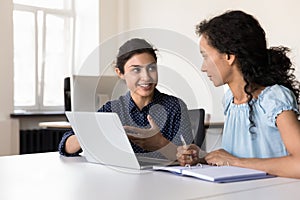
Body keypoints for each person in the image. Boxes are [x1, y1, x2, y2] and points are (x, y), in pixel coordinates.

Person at [176, 10, 300, 178]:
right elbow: (235, 157)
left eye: (205, 57)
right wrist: (202, 157)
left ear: (228, 57)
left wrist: (234, 161)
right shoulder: (229, 101)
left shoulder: (274, 98)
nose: (203, 67)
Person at [59, 38, 193, 160]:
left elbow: (188, 157)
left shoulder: (175, 107)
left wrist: (159, 143)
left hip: (166, 182)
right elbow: (65, 146)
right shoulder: (112, 109)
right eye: (136, 70)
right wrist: (94, 133)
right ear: (120, 73)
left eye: (151, 68)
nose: (146, 77)